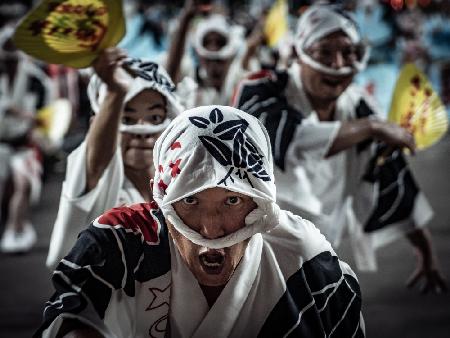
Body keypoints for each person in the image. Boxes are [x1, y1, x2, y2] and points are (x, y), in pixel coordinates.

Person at [36, 105, 364, 338]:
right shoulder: (120, 242)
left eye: (232, 200)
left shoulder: (306, 262)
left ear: (261, 201)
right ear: (163, 200)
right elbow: (71, 313)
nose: (210, 230)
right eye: (190, 200)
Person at [233, 4, 447, 292]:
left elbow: (392, 178)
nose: (337, 64)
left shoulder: (358, 107)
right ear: (301, 53)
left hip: (319, 251)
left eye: (348, 53)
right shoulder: (261, 90)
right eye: (325, 52)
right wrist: (370, 127)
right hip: (250, 248)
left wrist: (425, 250)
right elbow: (282, 140)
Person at [45, 48, 183, 269]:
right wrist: (115, 92)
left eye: (155, 117)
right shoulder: (99, 186)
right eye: (126, 117)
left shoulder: (175, 189)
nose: (142, 129)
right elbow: (97, 162)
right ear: (97, 126)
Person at [0, 25, 53, 253]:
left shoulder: (37, 80)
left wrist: (40, 131)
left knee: (23, 186)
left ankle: (15, 228)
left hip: (25, 145)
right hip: (2, 145)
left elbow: (47, 116)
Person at [165, 0, 264, 109]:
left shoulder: (238, 77)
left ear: (229, 58)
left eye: (218, 61)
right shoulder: (191, 78)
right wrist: (186, 19)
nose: (214, 68)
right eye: (209, 61)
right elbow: (169, 79)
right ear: (200, 57)